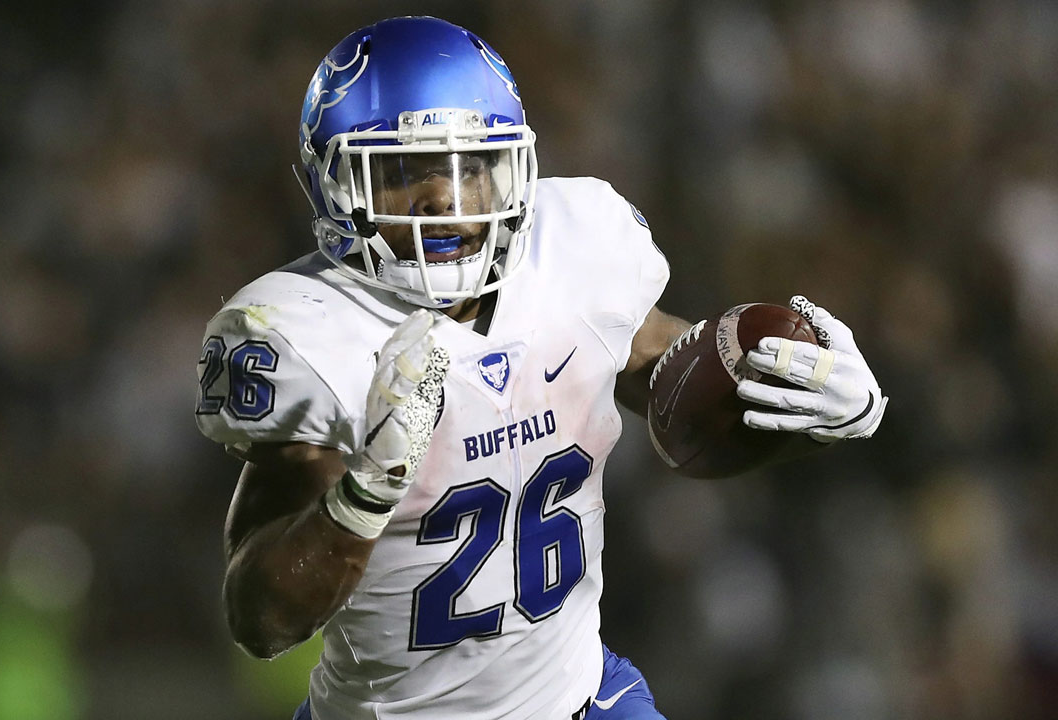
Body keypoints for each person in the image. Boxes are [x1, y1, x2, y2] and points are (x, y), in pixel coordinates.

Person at [194, 16, 886, 720]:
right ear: (337, 185)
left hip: (581, 701)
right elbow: (263, 620)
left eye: (471, 168)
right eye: (403, 171)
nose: (445, 199)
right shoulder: (307, 332)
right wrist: (367, 492)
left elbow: (671, 382)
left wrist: (810, 397)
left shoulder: (574, 249)